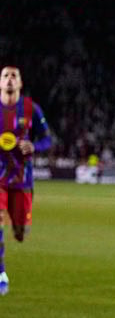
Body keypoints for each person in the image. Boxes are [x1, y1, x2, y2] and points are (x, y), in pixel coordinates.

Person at [0, 65, 53, 296]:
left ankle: (18, 226)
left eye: (14, 76)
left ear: (20, 83)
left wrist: (34, 146)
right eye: (5, 75)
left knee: (21, 233)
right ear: (0, 82)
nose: (10, 79)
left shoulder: (32, 109)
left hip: (22, 179)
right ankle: (1, 274)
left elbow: (47, 140)